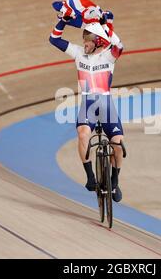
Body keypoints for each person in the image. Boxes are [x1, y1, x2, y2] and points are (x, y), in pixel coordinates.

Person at [49, 17, 124, 202]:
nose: (84, 44)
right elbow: (54, 39)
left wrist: (107, 26)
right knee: (83, 134)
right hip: (88, 104)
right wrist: (63, 22)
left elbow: (120, 46)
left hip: (106, 104)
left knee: (118, 146)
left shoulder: (108, 55)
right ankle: (90, 176)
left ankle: (114, 181)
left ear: (98, 40)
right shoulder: (78, 53)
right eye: (83, 41)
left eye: (87, 41)